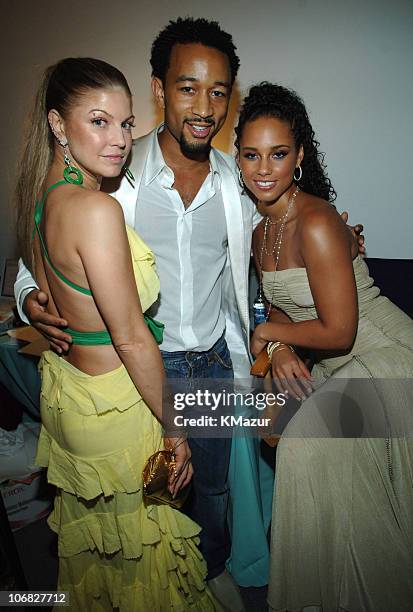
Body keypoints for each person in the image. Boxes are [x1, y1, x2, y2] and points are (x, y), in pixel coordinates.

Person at [14, 18, 365, 605]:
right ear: (158, 88)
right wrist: (28, 291)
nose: (204, 106)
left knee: (212, 496)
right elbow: (50, 237)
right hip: (131, 376)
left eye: (219, 91)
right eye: (187, 87)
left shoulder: (238, 181)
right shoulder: (111, 173)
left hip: (209, 366)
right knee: (135, 510)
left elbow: (278, 255)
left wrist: (333, 239)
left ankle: (205, 585)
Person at [15, 56, 218, 610]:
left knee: (100, 554)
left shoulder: (44, 196)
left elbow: (58, 289)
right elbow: (130, 337)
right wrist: (176, 431)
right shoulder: (95, 208)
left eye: (126, 124)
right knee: (147, 560)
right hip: (115, 408)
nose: (120, 139)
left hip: (72, 400)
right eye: (99, 121)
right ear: (59, 124)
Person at [236, 82, 413, 611]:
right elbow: (291, 307)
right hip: (344, 362)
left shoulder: (315, 220)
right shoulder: (260, 231)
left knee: (305, 442)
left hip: (388, 357)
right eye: (250, 155)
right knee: (275, 428)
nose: (263, 169)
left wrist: (268, 334)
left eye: (278, 154)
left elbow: (338, 331)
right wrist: (282, 345)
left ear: (300, 157)